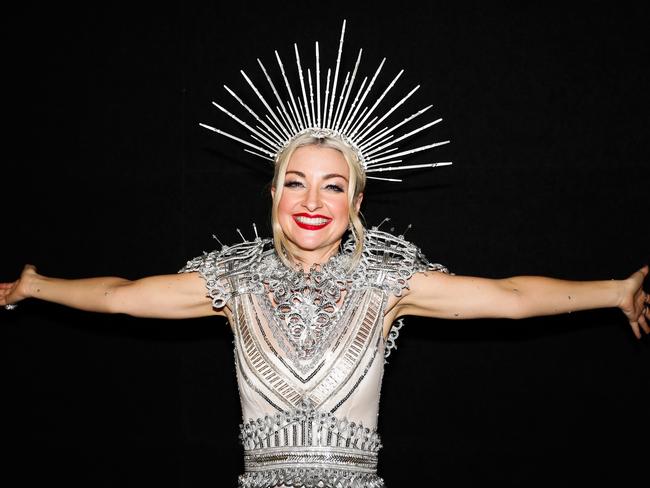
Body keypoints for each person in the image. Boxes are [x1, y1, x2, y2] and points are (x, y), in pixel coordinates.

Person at [3, 22, 649, 488]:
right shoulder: (232, 279)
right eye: (295, 181)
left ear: (356, 200)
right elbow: (121, 297)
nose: (312, 199)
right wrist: (36, 286)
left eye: (332, 185)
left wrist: (615, 290)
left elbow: (509, 300)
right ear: (275, 191)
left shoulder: (388, 279)